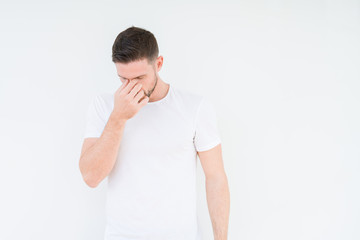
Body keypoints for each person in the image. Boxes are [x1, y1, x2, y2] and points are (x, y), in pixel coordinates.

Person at [79, 26, 230, 240]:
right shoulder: (104, 106)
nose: (131, 87)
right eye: (123, 79)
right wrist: (118, 117)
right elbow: (91, 177)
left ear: (158, 64)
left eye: (139, 77)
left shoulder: (194, 107)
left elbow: (215, 178)